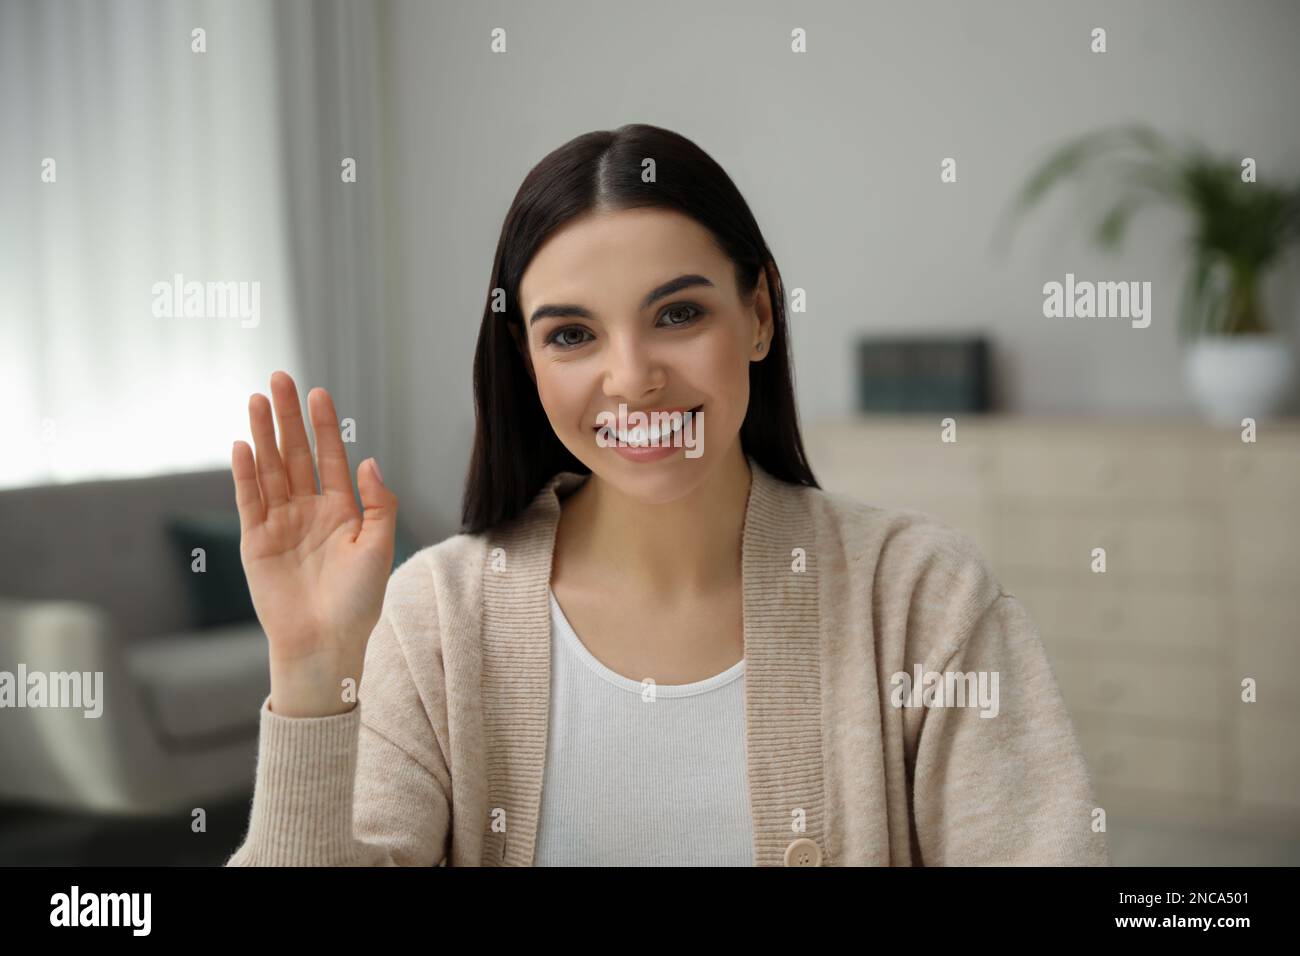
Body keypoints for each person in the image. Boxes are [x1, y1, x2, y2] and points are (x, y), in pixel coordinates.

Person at [225, 123, 1108, 866]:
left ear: (759, 314)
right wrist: (310, 672)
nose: (632, 378)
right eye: (571, 334)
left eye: (678, 314)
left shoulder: (924, 596)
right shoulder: (437, 618)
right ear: (525, 365)